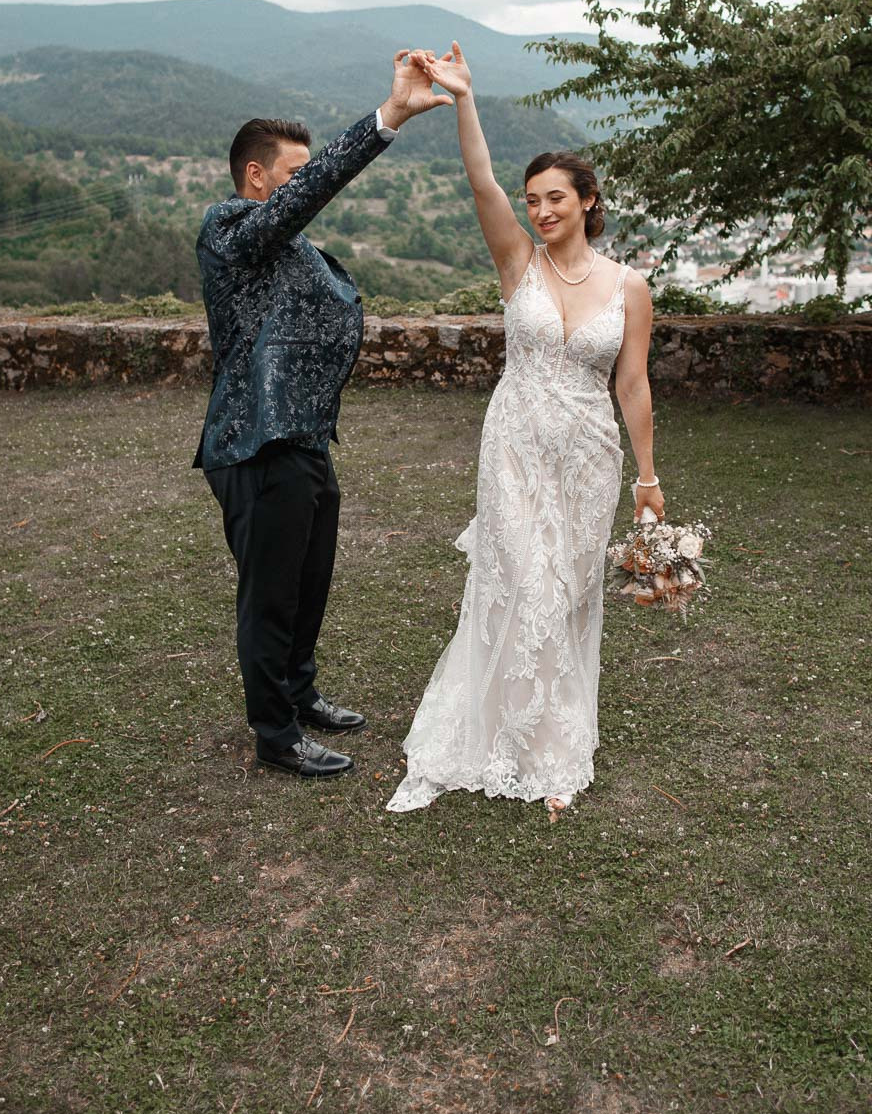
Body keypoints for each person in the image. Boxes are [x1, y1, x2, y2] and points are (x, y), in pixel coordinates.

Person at [386, 41, 663, 816]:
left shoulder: (630, 287)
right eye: (533, 199)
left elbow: (633, 384)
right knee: (518, 582)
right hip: (513, 442)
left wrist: (647, 479)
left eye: (555, 199)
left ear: (588, 202)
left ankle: (552, 743)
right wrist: (464, 99)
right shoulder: (519, 264)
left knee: (569, 592)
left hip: (588, 454)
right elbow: (480, 183)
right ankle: (508, 739)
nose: (540, 211)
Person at [194, 52, 451, 779]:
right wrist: (388, 119)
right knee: (270, 594)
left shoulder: (281, 240)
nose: (304, 184)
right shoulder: (229, 228)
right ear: (257, 177)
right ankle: (275, 734)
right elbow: (311, 194)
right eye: (293, 173)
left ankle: (299, 694)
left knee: (310, 579)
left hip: (301, 436)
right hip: (254, 440)